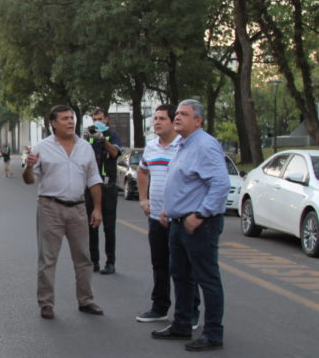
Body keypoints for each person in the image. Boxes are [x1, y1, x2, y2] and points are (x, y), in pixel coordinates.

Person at [151, 99, 229, 352]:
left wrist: (201, 214)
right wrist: (169, 209)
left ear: (198, 120)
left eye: (184, 114)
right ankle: (182, 324)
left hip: (199, 224)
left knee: (207, 278)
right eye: (177, 114)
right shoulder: (184, 145)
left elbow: (220, 185)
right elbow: (186, 182)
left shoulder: (205, 145)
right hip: (178, 222)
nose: (177, 118)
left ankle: (213, 333)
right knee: (181, 276)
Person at [22, 104, 104, 319]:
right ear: (53, 123)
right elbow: (29, 180)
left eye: (72, 118)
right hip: (50, 208)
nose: (70, 122)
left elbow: (94, 179)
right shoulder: (41, 147)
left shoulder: (85, 147)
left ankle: (86, 300)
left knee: (84, 258)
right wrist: (29, 166)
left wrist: (97, 208)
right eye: (65, 119)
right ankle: (46, 303)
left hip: (78, 208)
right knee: (48, 259)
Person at [135, 104, 201, 327]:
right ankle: (159, 307)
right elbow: (142, 171)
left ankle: (190, 311)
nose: (156, 122)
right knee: (159, 264)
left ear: (174, 121)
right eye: (155, 118)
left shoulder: (183, 147)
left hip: (179, 218)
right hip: (156, 218)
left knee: (184, 269)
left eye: (162, 118)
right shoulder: (151, 147)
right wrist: (144, 198)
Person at [83, 107, 122, 274]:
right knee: (92, 225)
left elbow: (114, 153)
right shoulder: (89, 137)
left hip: (108, 187)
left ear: (106, 119)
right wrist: (84, 139)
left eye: (100, 119)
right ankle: (94, 261)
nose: (97, 122)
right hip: (91, 187)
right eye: (94, 120)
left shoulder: (112, 136)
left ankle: (110, 262)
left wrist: (102, 139)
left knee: (109, 227)